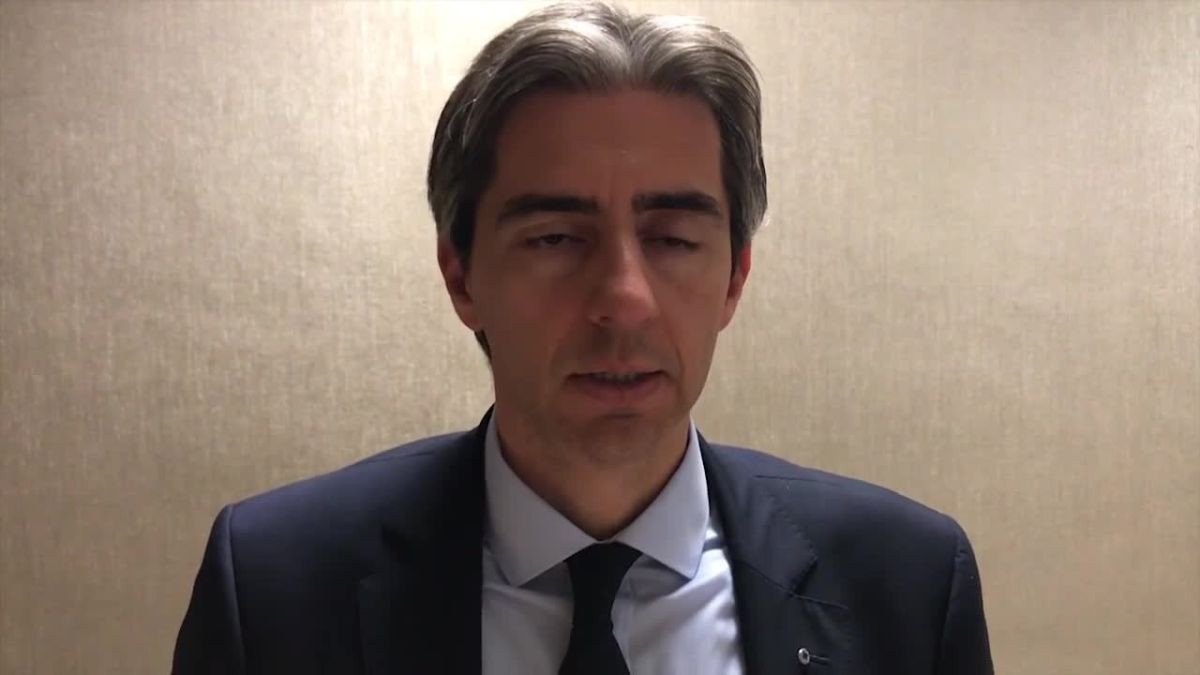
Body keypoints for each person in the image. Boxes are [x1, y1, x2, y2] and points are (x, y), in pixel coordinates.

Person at [173, 2, 993, 673]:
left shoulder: (908, 585)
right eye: (557, 238)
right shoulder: (275, 588)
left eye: (673, 238)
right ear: (461, 275)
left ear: (735, 276)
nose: (623, 299)